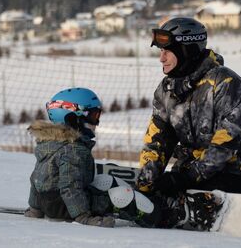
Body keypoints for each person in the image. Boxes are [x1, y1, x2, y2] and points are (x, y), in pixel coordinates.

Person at [135, 17, 241, 234]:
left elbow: (225, 144)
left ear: (186, 49)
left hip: (236, 164)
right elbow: (157, 140)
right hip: (193, 165)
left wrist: (186, 177)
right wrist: (146, 184)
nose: (161, 58)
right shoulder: (166, 90)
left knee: (206, 188)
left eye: (167, 51)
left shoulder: (225, 83)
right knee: (165, 192)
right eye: (160, 51)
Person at [24, 87, 157, 227]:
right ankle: (159, 216)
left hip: (50, 203)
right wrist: (83, 217)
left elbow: (36, 178)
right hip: (65, 207)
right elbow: (70, 186)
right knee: (123, 195)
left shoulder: (50, 144)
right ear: (73, 118)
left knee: (103, 180)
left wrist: (35, 209)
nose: (96, 123)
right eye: (93, 116)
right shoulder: (73, 150)